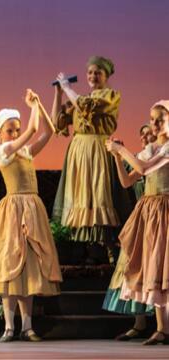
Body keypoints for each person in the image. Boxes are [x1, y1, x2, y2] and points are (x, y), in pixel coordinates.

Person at [0, 90, 62, 342]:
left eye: (17, 130)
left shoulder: (25, 153)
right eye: (11, 130)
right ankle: (8, 327)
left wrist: (39, 103)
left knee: (30, 268)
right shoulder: (4, 151)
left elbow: (48, 132)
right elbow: (34, 129)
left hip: (32, 209)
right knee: (10, 267)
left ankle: (27, 327)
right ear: (1, 133)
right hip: (13, 211)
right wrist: (32, 106)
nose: (15, 134)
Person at [51, 56, 133, 264]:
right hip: (79, 152)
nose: (92, 76)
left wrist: (68, 87)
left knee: (99, 194)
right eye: (90, 73)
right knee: (81, 196)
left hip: (97, 149)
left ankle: (108, 249)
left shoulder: (110, 96)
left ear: (105, 76)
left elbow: (86, 105)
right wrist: (58, 93)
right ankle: (83, 249)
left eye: (97, 72)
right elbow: (57, 123)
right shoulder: (78, 99)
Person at [105, 100, 169, 345]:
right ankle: (161, 329)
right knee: (154, 266)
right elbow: (127, 181)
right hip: (150, 210)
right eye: (152, 118)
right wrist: (115, 156)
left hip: (165, 208)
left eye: (159, 119)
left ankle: (164, 327)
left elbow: (142, 168)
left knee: (164, 265)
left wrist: (122, 151)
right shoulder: (151, 148)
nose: (153, 123)